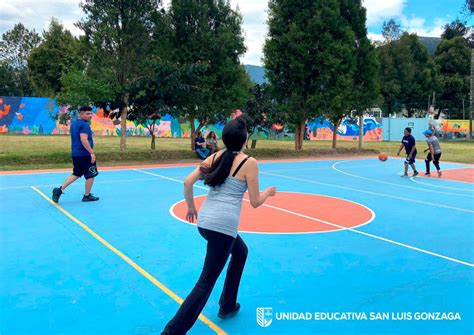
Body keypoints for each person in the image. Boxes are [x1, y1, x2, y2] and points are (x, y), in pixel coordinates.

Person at [162, 118, 276, 335]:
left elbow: (187, 182)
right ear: (245, 138)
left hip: (205, 222)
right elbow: (255, 201)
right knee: (205, 282)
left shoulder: (215, 156)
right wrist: (268, 193)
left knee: (241, 252)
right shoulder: (249, 162)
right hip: (223, 227)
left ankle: (227, 305)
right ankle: (171, 332)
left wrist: (190, 207)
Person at [52, 106, 99, 203]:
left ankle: (59, 190)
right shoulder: (85, 125)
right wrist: (91, 152)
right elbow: (83, 139)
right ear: (81, 114)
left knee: (77, 173)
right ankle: (87, 195)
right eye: (87, 114)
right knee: (91, 175)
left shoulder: (75, 123)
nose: (90, 115)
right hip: (85, 154)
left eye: (91, 113)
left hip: (76, 154)